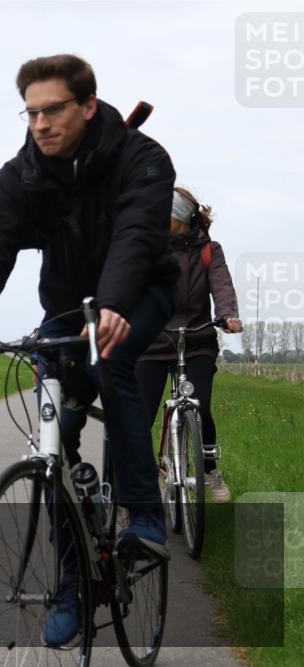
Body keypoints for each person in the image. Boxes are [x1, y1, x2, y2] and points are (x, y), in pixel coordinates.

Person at [0, 54, 180, 646]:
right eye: (31, 112)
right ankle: (71, 585)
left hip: (139, 293)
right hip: (66, 303)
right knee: (54, 429)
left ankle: (143, 513)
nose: (40, 123)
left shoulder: (143, 159)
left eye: (53, 109)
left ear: (87, 105)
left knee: (111, 359)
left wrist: (111, 305)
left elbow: (137, 236)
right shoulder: (23, 176)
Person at [136, 187, 242, 503]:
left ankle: (209, 470)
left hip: (197, 340)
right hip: (154, 341)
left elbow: (221, 285)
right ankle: (140, 481)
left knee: (200, 406)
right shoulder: (148, 248)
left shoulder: (209, 251)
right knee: (139, 415)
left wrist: (227, 314)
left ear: (180, 218)